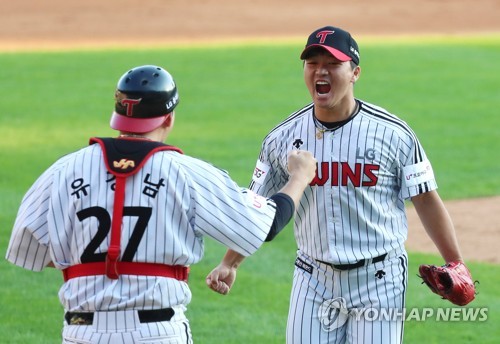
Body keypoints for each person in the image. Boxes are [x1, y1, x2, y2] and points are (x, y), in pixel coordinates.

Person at [5, 64, 317, 344]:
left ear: (118, 115)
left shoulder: (62, 171)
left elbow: (29, 249)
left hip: (81, 332)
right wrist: (299, 178)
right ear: (168, 118)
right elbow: (265, 225)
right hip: (158, 333)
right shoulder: (188, 173)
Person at [206, 26, 475, 343]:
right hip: (313, 277)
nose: (321, 70)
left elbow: (426, 200)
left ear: (354, 72)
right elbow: (257, 207)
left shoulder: (394, 134)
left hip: (380, 278)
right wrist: (230, 262)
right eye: (312, 63)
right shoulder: (281, 139)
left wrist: (455, 262)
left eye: (333, 64)